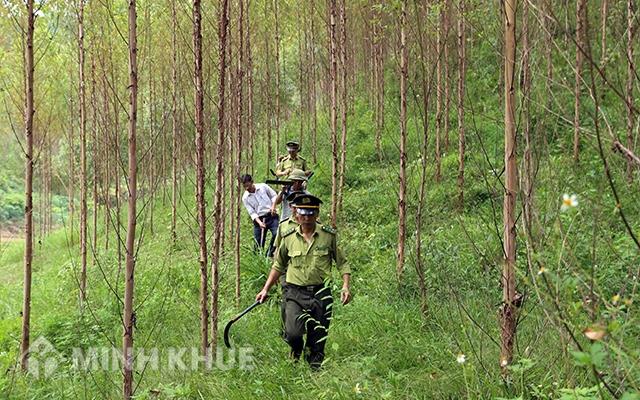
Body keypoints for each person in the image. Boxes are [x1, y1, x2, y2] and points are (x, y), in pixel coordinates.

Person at [255, 194, 351, 369]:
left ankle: (314, 371)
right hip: (294, 292)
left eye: (311, 213)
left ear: (317, 214)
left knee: (318, 336)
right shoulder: (289, 236)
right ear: (296, 214)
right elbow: (279, 264)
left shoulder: (328, 236)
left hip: (321, 293)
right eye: (303, 213)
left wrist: (345, 286)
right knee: (292, 333)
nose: (307, 217)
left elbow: (342, 262)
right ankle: (296, 351)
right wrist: (265, 289)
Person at [241, 174, 279, 257]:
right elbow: (252, 213)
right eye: (245, 187)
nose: (247, 188)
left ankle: (269, 253)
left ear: (252, 182)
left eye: (248, 186)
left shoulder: (263, 187)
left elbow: (274, 196)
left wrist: (273, 206)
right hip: (259, 220)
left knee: (277, 234)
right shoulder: (245, 197)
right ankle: (257, 261)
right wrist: (259, 223)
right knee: (258, 243)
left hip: (271, 216)